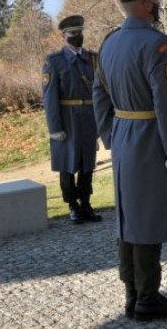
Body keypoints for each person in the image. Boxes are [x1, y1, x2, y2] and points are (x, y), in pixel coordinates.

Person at [92, 0, 167, 320]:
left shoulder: (109, 43)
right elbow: (164, 103)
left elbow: (98, 95)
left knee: (128, 217)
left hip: (123, 137)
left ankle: (132, 292)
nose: (158, 6)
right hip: (148, 138)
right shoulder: (156, 43)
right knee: (146, 217)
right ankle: (147, 298)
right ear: (147, 4)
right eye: (156, 1)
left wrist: (110, 136)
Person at [42, 15, 101, 224]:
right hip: (67, 119)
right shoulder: (54, 62)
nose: (77, 36)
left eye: (79, 32)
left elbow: (100, 92)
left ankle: (86, 203)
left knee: (87, 165)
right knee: (67, 165)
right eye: (73, 33)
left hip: (88, 118)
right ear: (64, 35)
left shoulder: (92, 59)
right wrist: (54, 127)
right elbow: (49, 98)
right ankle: (72, 205)